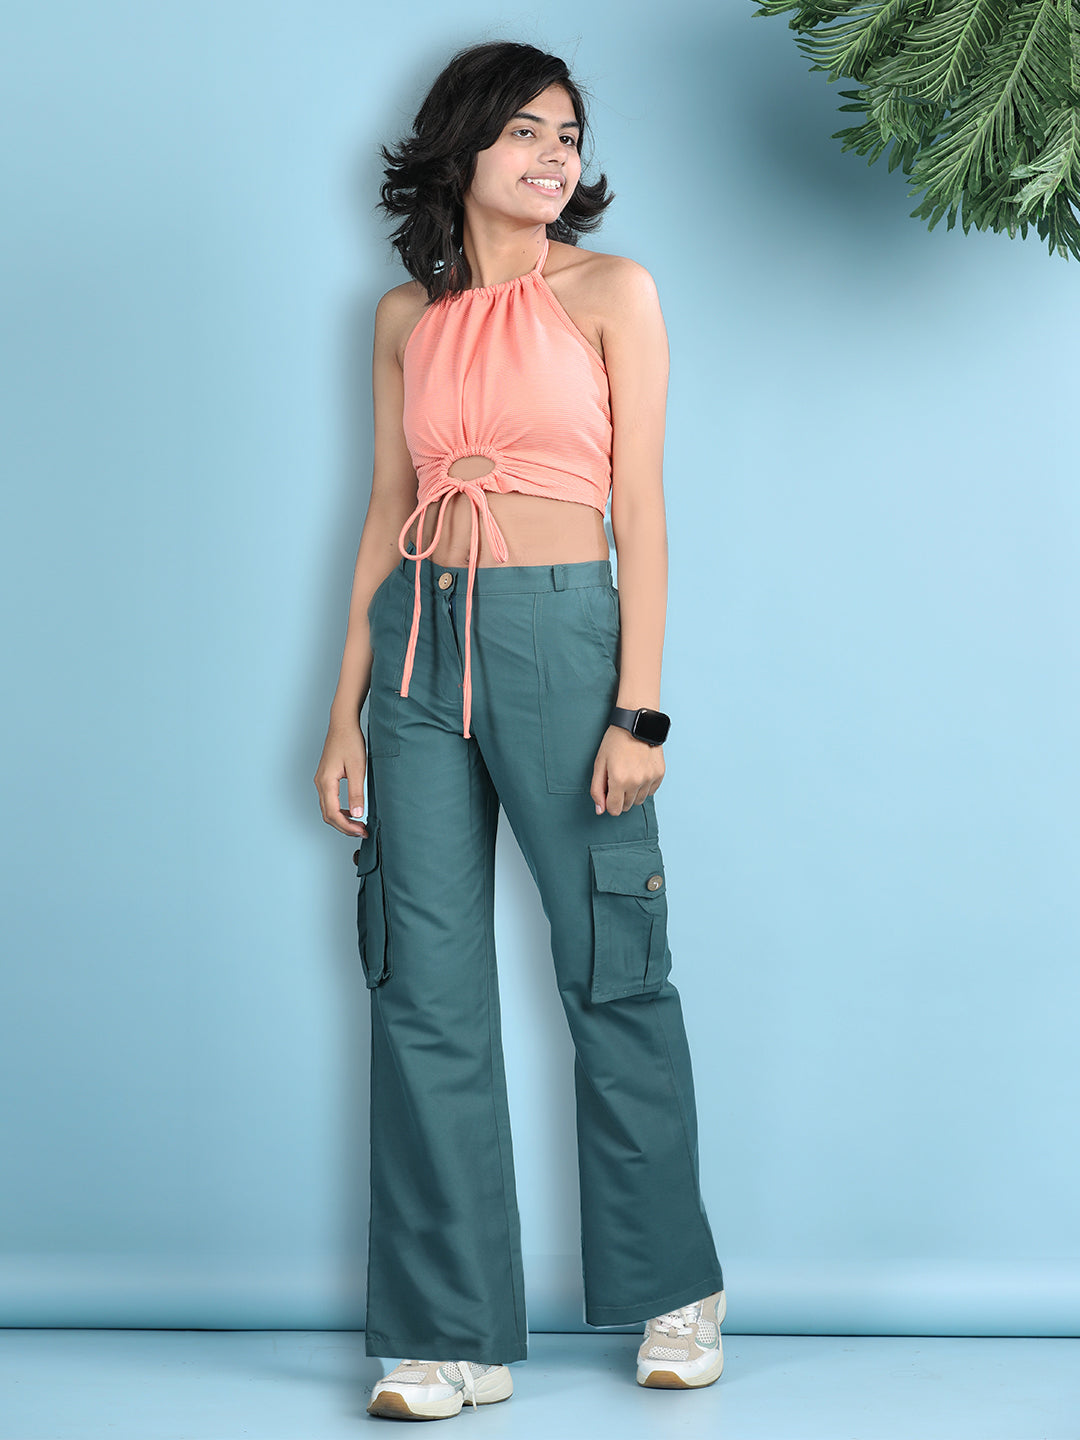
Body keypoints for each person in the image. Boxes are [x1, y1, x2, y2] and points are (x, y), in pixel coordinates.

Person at [314, 39, 726, 1422]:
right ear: (465, 146)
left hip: (561, 635)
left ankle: (676, 1290)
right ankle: (450, 1335)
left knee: (613, 967)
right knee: (420, 992)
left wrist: (640, 709)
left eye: (569, 135)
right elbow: (385, 512)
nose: (555, 156)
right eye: (526, 133)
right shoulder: (404, 317)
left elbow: (642, 509)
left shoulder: (612, 292)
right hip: (417, 646)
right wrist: (344, 711)